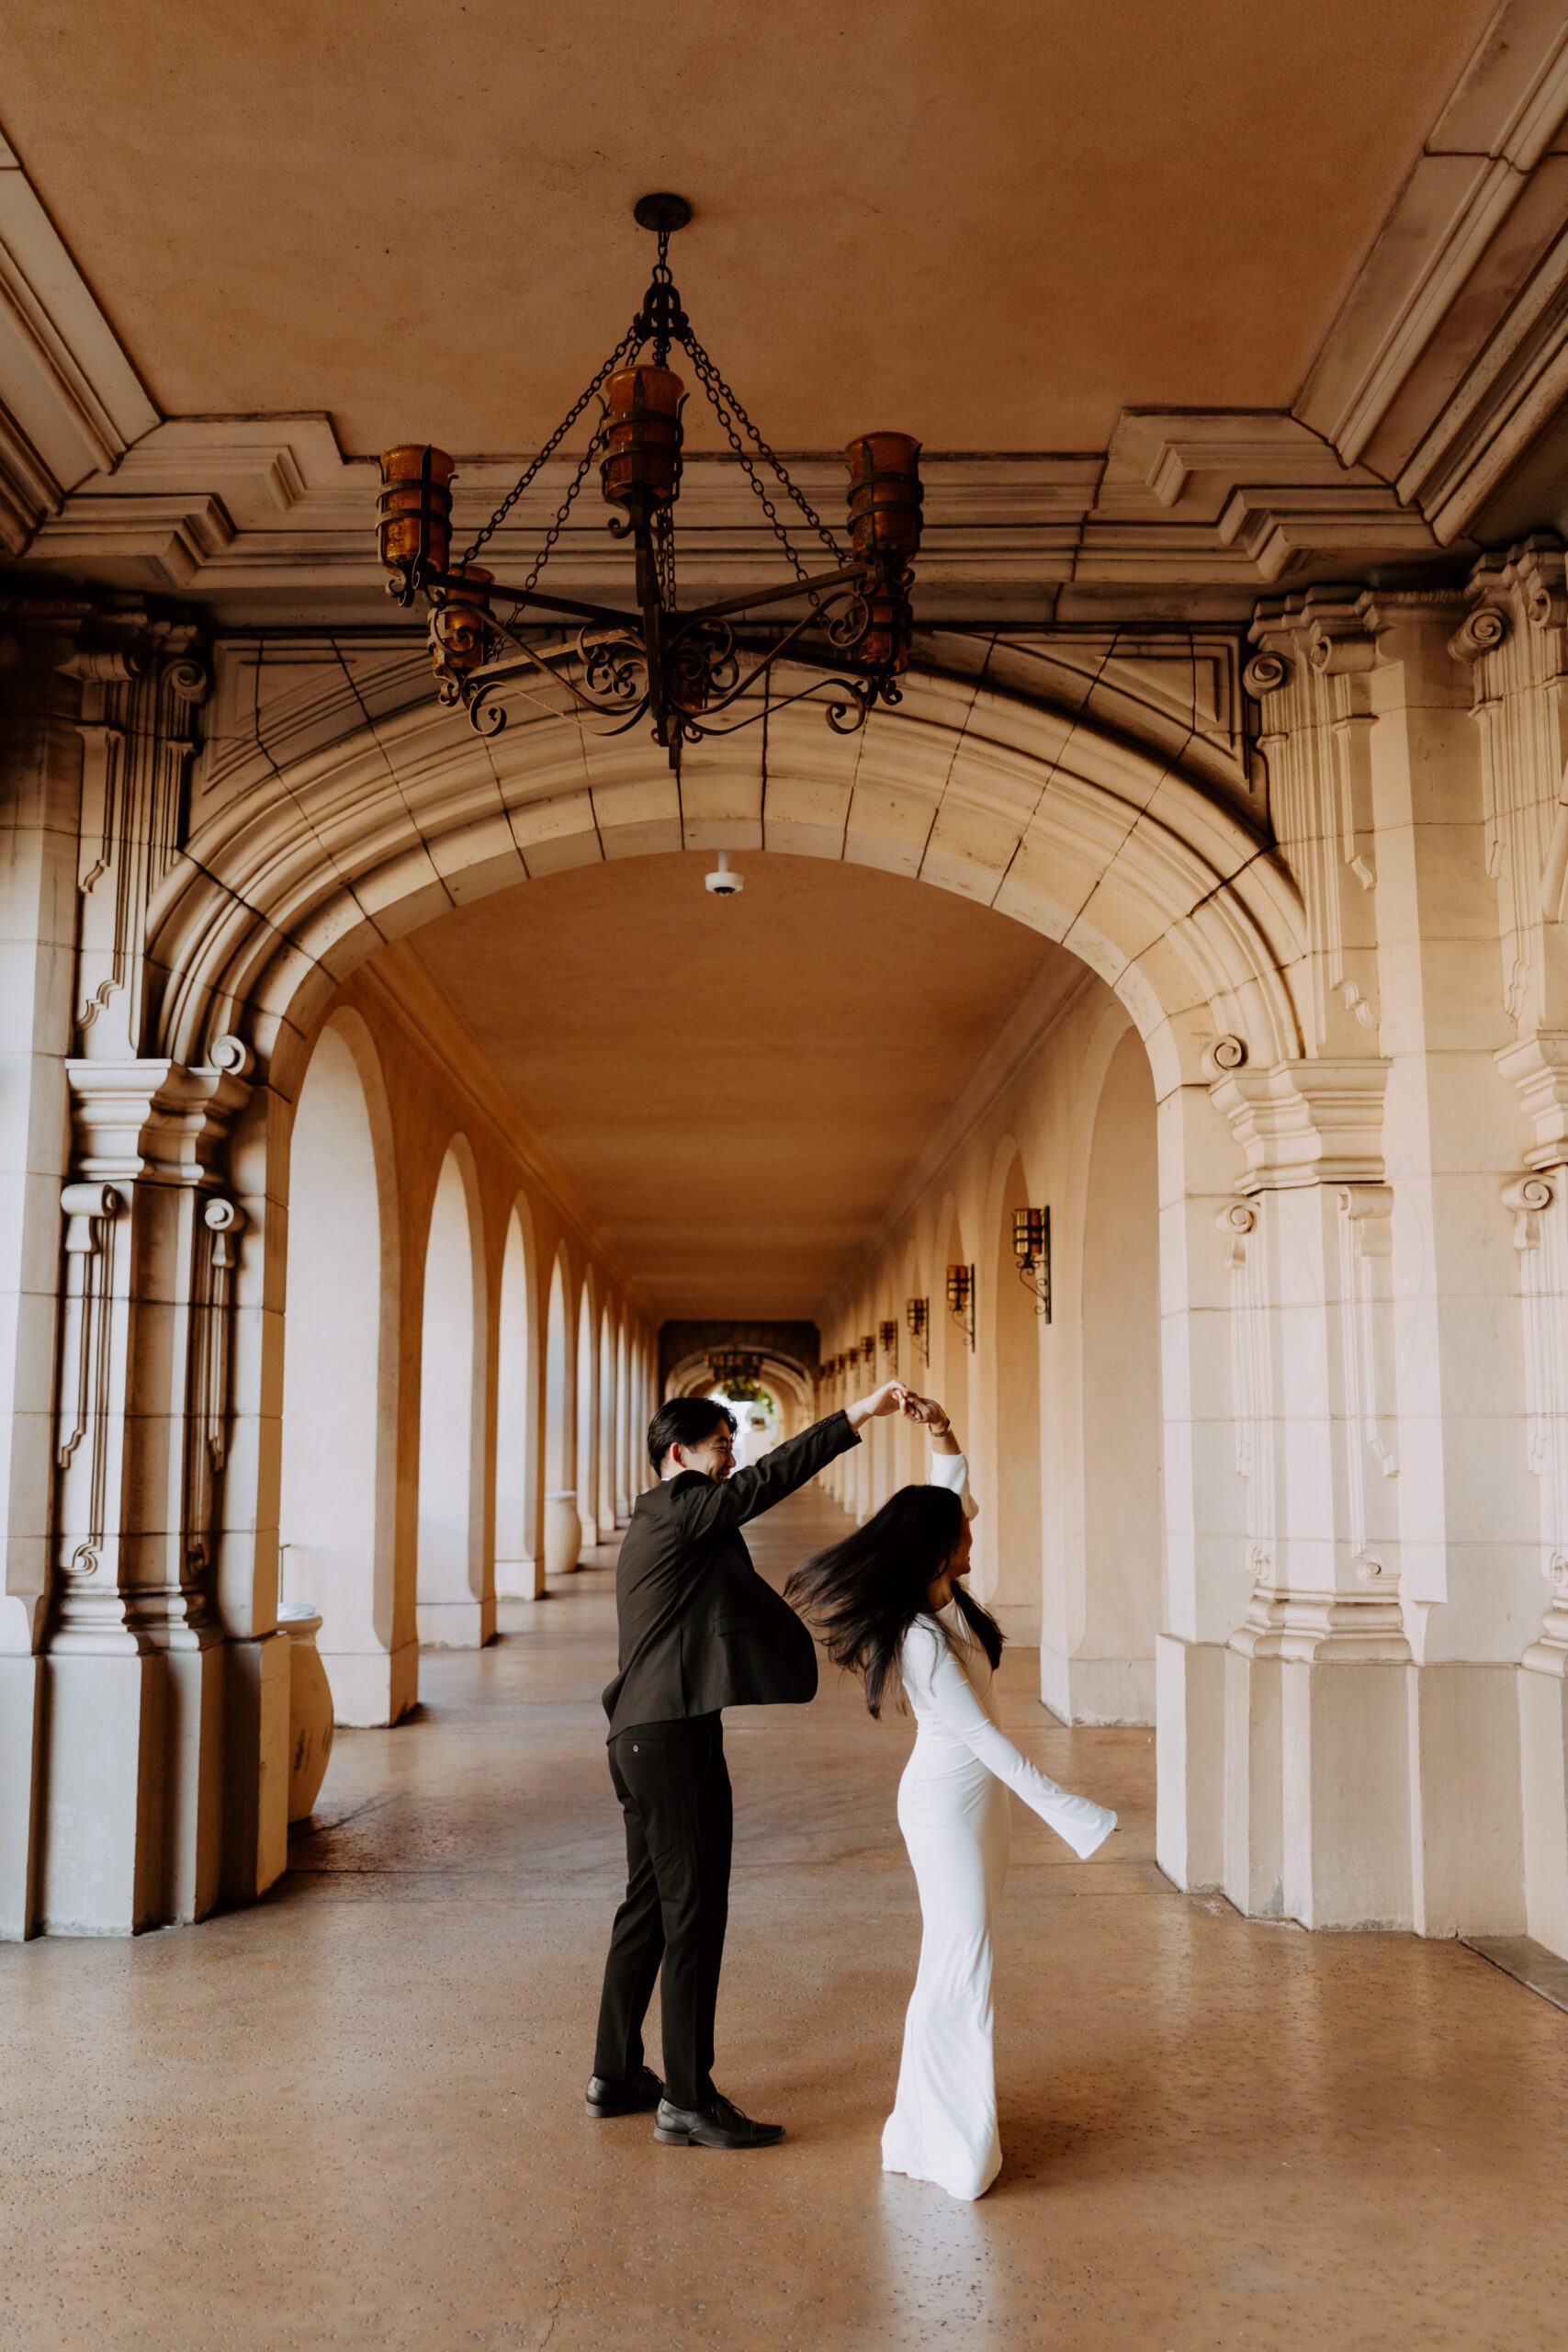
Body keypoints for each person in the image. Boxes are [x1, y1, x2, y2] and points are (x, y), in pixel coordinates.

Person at [785, 1390, 1117, 2200]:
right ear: (939, 1549)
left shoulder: (942, 1602)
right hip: (945, 1808)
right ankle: (953, 2144)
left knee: (956, 1963)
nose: (973, 1530)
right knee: (960, 1970)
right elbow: (984, 1743)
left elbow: (951, 1495)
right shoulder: (922, 1637)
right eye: (963, 1531)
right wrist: (1077, 1815)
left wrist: (938, 1431)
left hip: (978, 1811)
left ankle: (921, 2130)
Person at [587, 1376, 907, 2151]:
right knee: (693, 1913)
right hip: (669, 1738)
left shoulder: (664, 1518)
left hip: (642, 1734)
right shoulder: (685, 1506)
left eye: (733, 1441)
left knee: (648, 1906)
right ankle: (687, 2101)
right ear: (678, 1456)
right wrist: (858, 1412)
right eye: (719, 1444)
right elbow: (771, 1480)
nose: (733, 1457)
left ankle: (617, 2075)